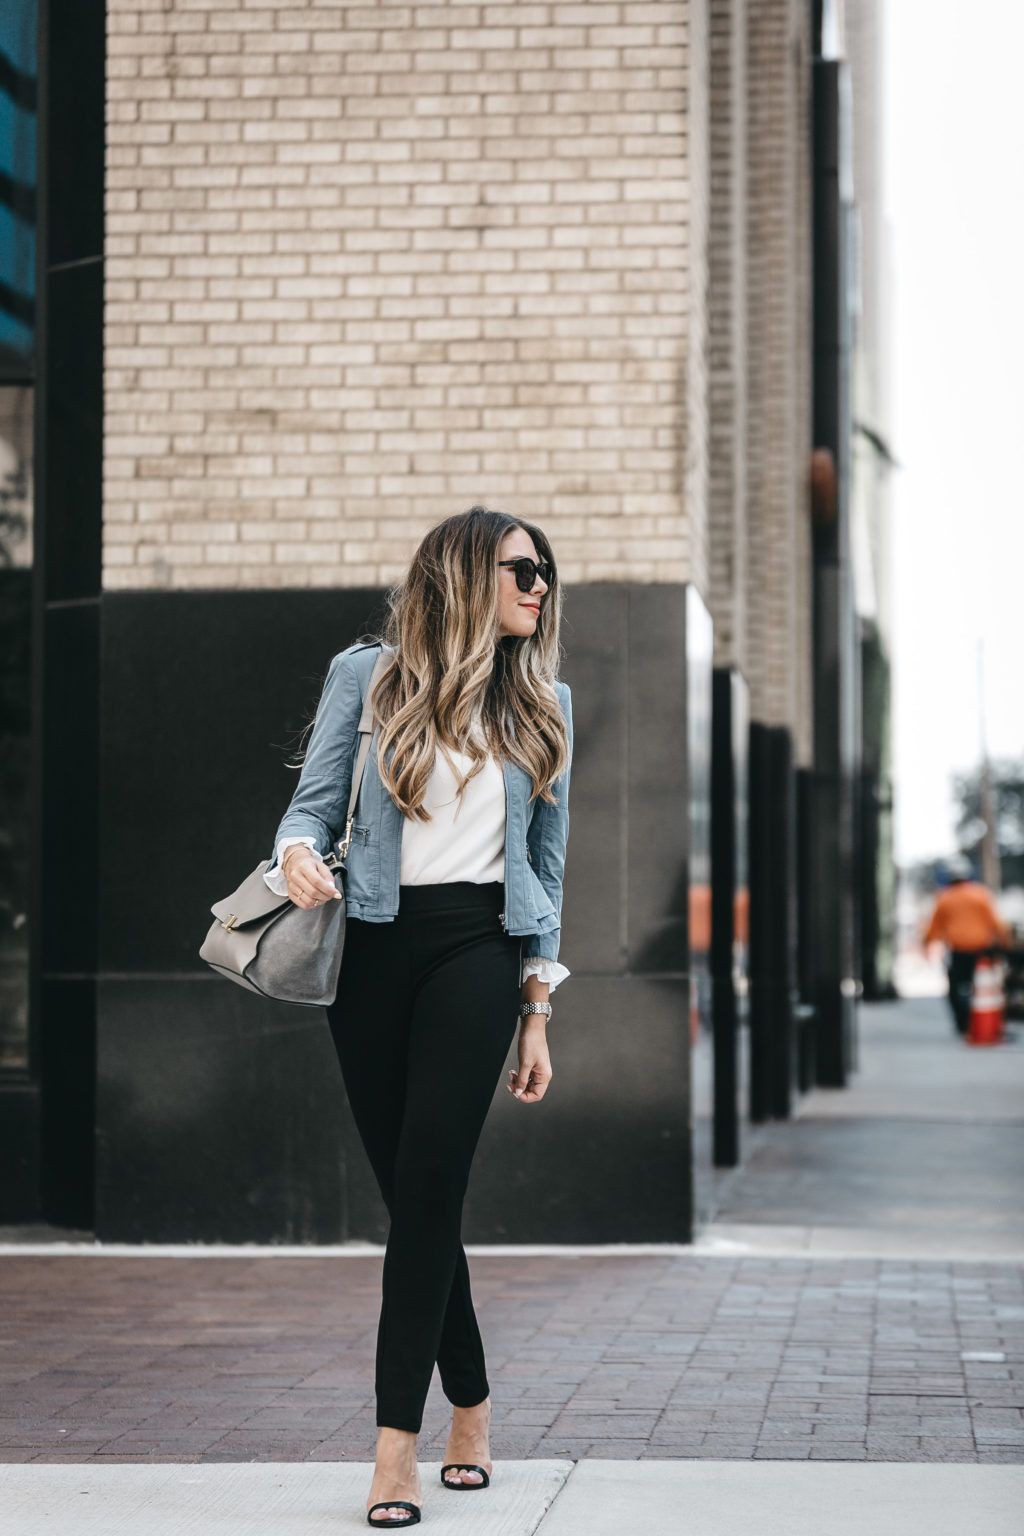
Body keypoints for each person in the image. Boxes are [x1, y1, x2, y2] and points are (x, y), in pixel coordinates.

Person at [263, 505, 573, 1529]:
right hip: (373, 944)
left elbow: (544, 870)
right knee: (416, 1200)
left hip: (478, 949)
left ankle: (395, 1448)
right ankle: (473, 1408)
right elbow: (311, 806)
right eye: (521, 568)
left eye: (545, 572)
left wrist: (535, 1005)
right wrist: (298, 857)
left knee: (434, 1177)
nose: (539, 585)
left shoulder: (544, 704)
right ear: (460, 574)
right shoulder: (369, 678)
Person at [922, 855, 1010, 1036]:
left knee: (955, 989)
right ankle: (986, 1023)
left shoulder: (945, 898)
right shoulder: (980, 894)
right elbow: (997, 923)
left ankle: (963, 1023)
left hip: (959, 951)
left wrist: (927, 947)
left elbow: (934, 927)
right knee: (985, 988)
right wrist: (1005, 943)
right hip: (981, 952)